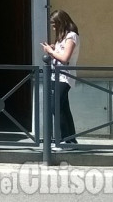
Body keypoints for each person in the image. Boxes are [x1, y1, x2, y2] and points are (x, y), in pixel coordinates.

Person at [41, 9, 80, 144]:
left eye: (54, 24)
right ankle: (70, 139)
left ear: (61, 23)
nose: (52, 27)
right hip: (56, 76)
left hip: (65, 77)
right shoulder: (62, 38)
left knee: (55, 107)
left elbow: (65, 58)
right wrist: (53, 48)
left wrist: (51, 51)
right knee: (63, 107)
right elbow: (60, 53)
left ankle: (64, 139)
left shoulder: (71, 37)